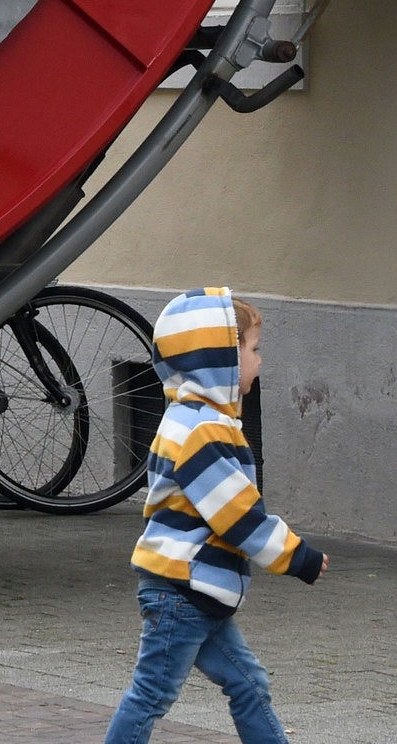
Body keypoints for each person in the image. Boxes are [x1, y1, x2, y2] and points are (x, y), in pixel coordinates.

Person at [104, 289, 326, 744]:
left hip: (197, 592)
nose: (259, 360)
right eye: (252, 349)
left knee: (248, 684)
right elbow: (237, 515)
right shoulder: (200, 431)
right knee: (151, 695)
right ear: (219, 358)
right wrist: (295, 556)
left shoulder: (201, 420)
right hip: (181, 592)